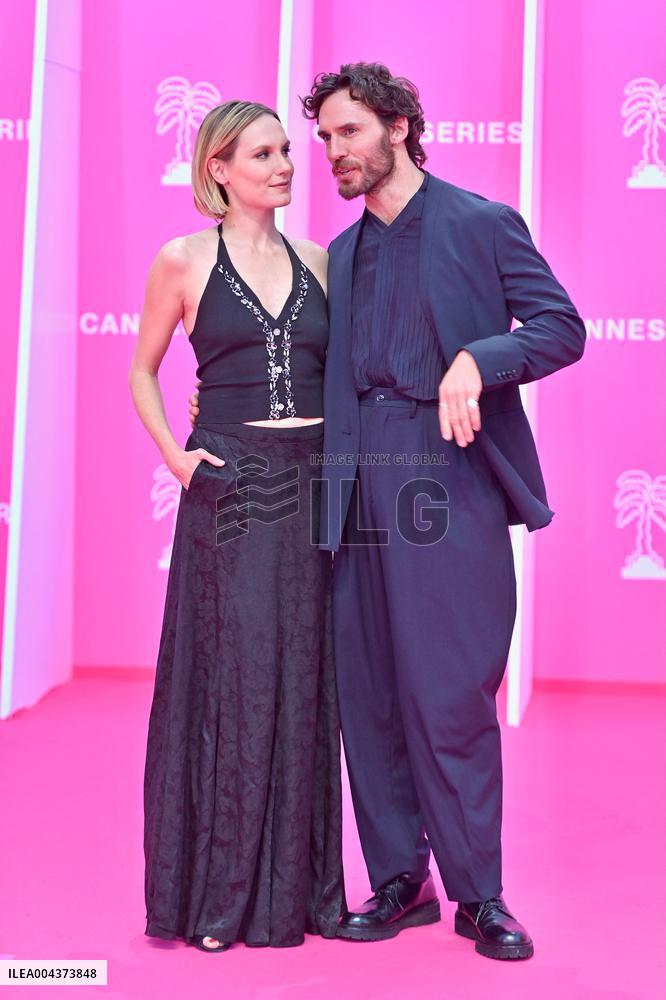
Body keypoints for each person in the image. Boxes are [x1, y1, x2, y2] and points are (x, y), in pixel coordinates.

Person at [299, 62, 586, 961]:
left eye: (348, 133)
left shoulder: (481, 225)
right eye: (324, 140)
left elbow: (559, 327)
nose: (332, 153)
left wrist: (478, 359)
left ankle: (481, 894)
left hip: (447, 472)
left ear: (399, 125)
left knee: (452, 692)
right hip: (356, 479)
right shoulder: (339, 256)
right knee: (370, 691)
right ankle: (399, 878)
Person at [129, 100, 345, 953]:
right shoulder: (180, 260)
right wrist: (176, 457)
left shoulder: (321, 260)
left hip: (314, 484)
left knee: (304, 677)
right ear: (219, 168)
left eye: (288, 149)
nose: (287, 163)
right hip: (230, 487)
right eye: (265, 152)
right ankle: (219, 896)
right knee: (236, 678)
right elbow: (143, 372)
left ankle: (296, 896)